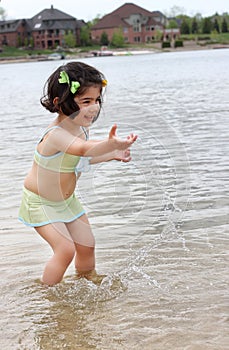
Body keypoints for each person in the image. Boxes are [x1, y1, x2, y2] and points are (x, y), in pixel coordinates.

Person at [18, 61, 137, 286]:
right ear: (59, 103)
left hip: (66, 201)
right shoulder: (56, 135)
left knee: (86, 244)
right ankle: (48, 294)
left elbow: (79, 159)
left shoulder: (81, 129)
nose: (94, 108)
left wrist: (111, 155)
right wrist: (110, 144)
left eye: (96, 101)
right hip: (41, 202)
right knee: (65, 250)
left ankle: (87, 282)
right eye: (86, 102)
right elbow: (82, 149)